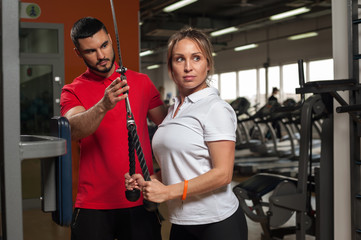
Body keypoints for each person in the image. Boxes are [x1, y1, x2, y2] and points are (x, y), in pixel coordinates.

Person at [126, 27, 248, 240]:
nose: (188, 67)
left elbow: (223, 174)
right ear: (171, 68)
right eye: (179, 59)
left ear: (208, 64)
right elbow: (183, 164)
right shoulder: (175, 110)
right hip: (182, 221)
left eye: (196, 58)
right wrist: (152, 180)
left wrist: (167, 192)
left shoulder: (215, 108)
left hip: (217, 222)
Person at [60, 17, 167, 240]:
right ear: (78, 53)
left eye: (104, 46)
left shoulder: (142, 82)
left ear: (110, 39)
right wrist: (103, 105)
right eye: (90, 51)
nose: (101, 56)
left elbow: (170, 128)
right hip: (93, 204)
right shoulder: (72, 90)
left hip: (140, 198)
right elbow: (73, 129)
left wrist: (164, 176)